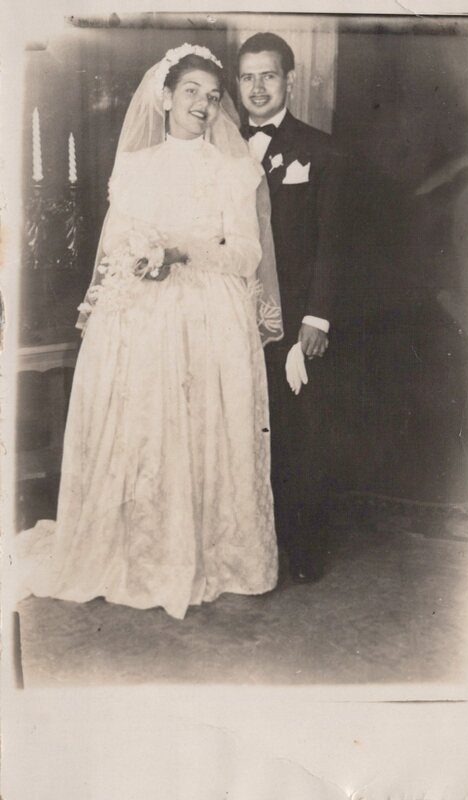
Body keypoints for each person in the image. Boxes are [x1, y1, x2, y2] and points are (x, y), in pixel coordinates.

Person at [16, 44, 283, 620]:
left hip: (210, 314)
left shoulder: (232, 169)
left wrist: (183, 251)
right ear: (164, 98)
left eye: (213, 96)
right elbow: (116, 243)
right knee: (144, 426)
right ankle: (141, 555)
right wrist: (142, 256)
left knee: (204, 427)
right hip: (143, 315)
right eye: (190, 91)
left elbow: (246, 253)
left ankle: (209, 554)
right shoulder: (136, 166)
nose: (203, 104)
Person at [238, 33, 343, 583]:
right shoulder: (220, 150)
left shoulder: (321, 150)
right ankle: (246, 548)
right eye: (248, 77)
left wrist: (316, 317)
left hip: (296, 319)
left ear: (290, 80)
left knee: (296, 435)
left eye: (269, 76)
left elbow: (335, 243)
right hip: (232, 317)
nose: (257, 88)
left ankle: (301, 552)